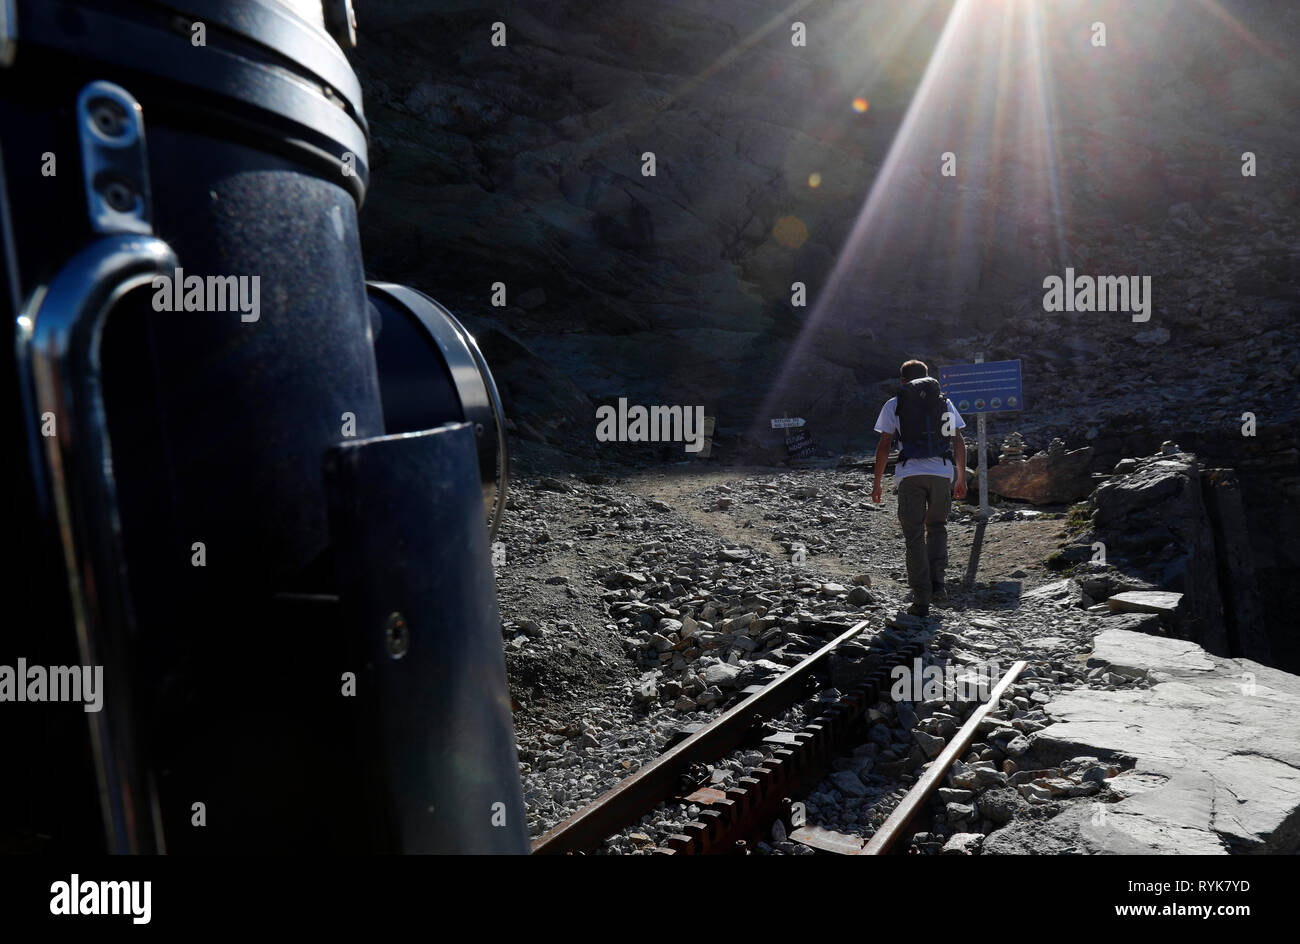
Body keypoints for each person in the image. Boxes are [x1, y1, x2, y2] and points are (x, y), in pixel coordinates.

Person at [870, 360, 968, 616]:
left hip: (910, 474)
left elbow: (884, 446)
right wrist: (961, 478)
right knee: (937, 528)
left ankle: (921, 600)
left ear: (903, 381)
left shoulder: (895, 403)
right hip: (942, 473)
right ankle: (939, 585)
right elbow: (958, 441)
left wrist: (877, 482)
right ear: (928, 377)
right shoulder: (944, 402)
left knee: (914, 536)